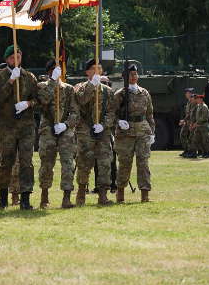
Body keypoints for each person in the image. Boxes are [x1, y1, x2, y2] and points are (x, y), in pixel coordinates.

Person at [0, 45, 39, 210]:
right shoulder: (0, 75)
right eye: (12, 58)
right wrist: (11, 81)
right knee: (6, 162)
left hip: (26, 126)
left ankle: (25, 198)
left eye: (18, 57)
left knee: (26, 162)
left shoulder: (29, 76)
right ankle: (3, 197)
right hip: (7, 126)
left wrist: (28, 103)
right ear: (7, 60)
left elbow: (38, 100)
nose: (15, 60)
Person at [107, 64, 155, 203]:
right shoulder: (120, 94)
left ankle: (145, 194)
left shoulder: (144, 93)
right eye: (130, 75)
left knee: (143, 163)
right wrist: (119, 122)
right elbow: (111, 113)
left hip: (142, 131)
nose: (134, 77)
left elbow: (150, 114)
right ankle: (120, 193)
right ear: (125, 77)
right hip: (125, 133)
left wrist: (152, 131)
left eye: (135, 74)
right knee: (125, 163)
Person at [36, 59, 79, 209]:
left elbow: (75, 112)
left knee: (68, 163)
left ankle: (66, 197)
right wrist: (53, 81)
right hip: (48, 128)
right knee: (47, 163)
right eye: (54, 70)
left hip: (65, 130)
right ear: (49, 72)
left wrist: (66, 124)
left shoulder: (68, 89)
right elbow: (43, 100)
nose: (57, 72)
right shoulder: (42, 86)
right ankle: (44, 197)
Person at [73, 58, 114, 206]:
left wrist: (104, 125)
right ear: (87, 72)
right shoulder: (80, 87)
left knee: (104, 163)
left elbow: (111, 112)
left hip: (103, 132)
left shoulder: (107, 91)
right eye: (94, 68)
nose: (97, 71)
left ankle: (103, 195)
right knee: (84, 162)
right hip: (85, 131)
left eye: (99, 68)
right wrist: (92, 85)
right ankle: (81, 193)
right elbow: (81, 100)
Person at [178, 88, 195, 157]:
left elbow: (191, 113)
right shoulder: (188, 102)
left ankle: (192, 151)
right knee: (182, 135)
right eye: (186, 93)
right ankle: (187, 150)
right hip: (187, 122)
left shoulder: (193, 102)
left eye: (187, 93)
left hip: (191, 122)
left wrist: (184, 120)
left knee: (192, 137)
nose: (186, 94)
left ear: (191, 94)